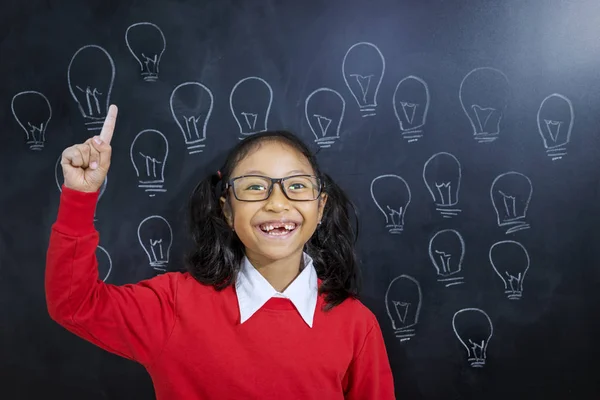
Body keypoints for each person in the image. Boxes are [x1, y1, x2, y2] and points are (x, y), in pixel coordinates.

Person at [46, 104, 396, 399]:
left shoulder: (356, 325)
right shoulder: (173, 306)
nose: (277, 203)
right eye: (255, 186)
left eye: (297, 186)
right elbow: (75, 304)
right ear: (227, 210)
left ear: (320, 208)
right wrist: (80, 197)